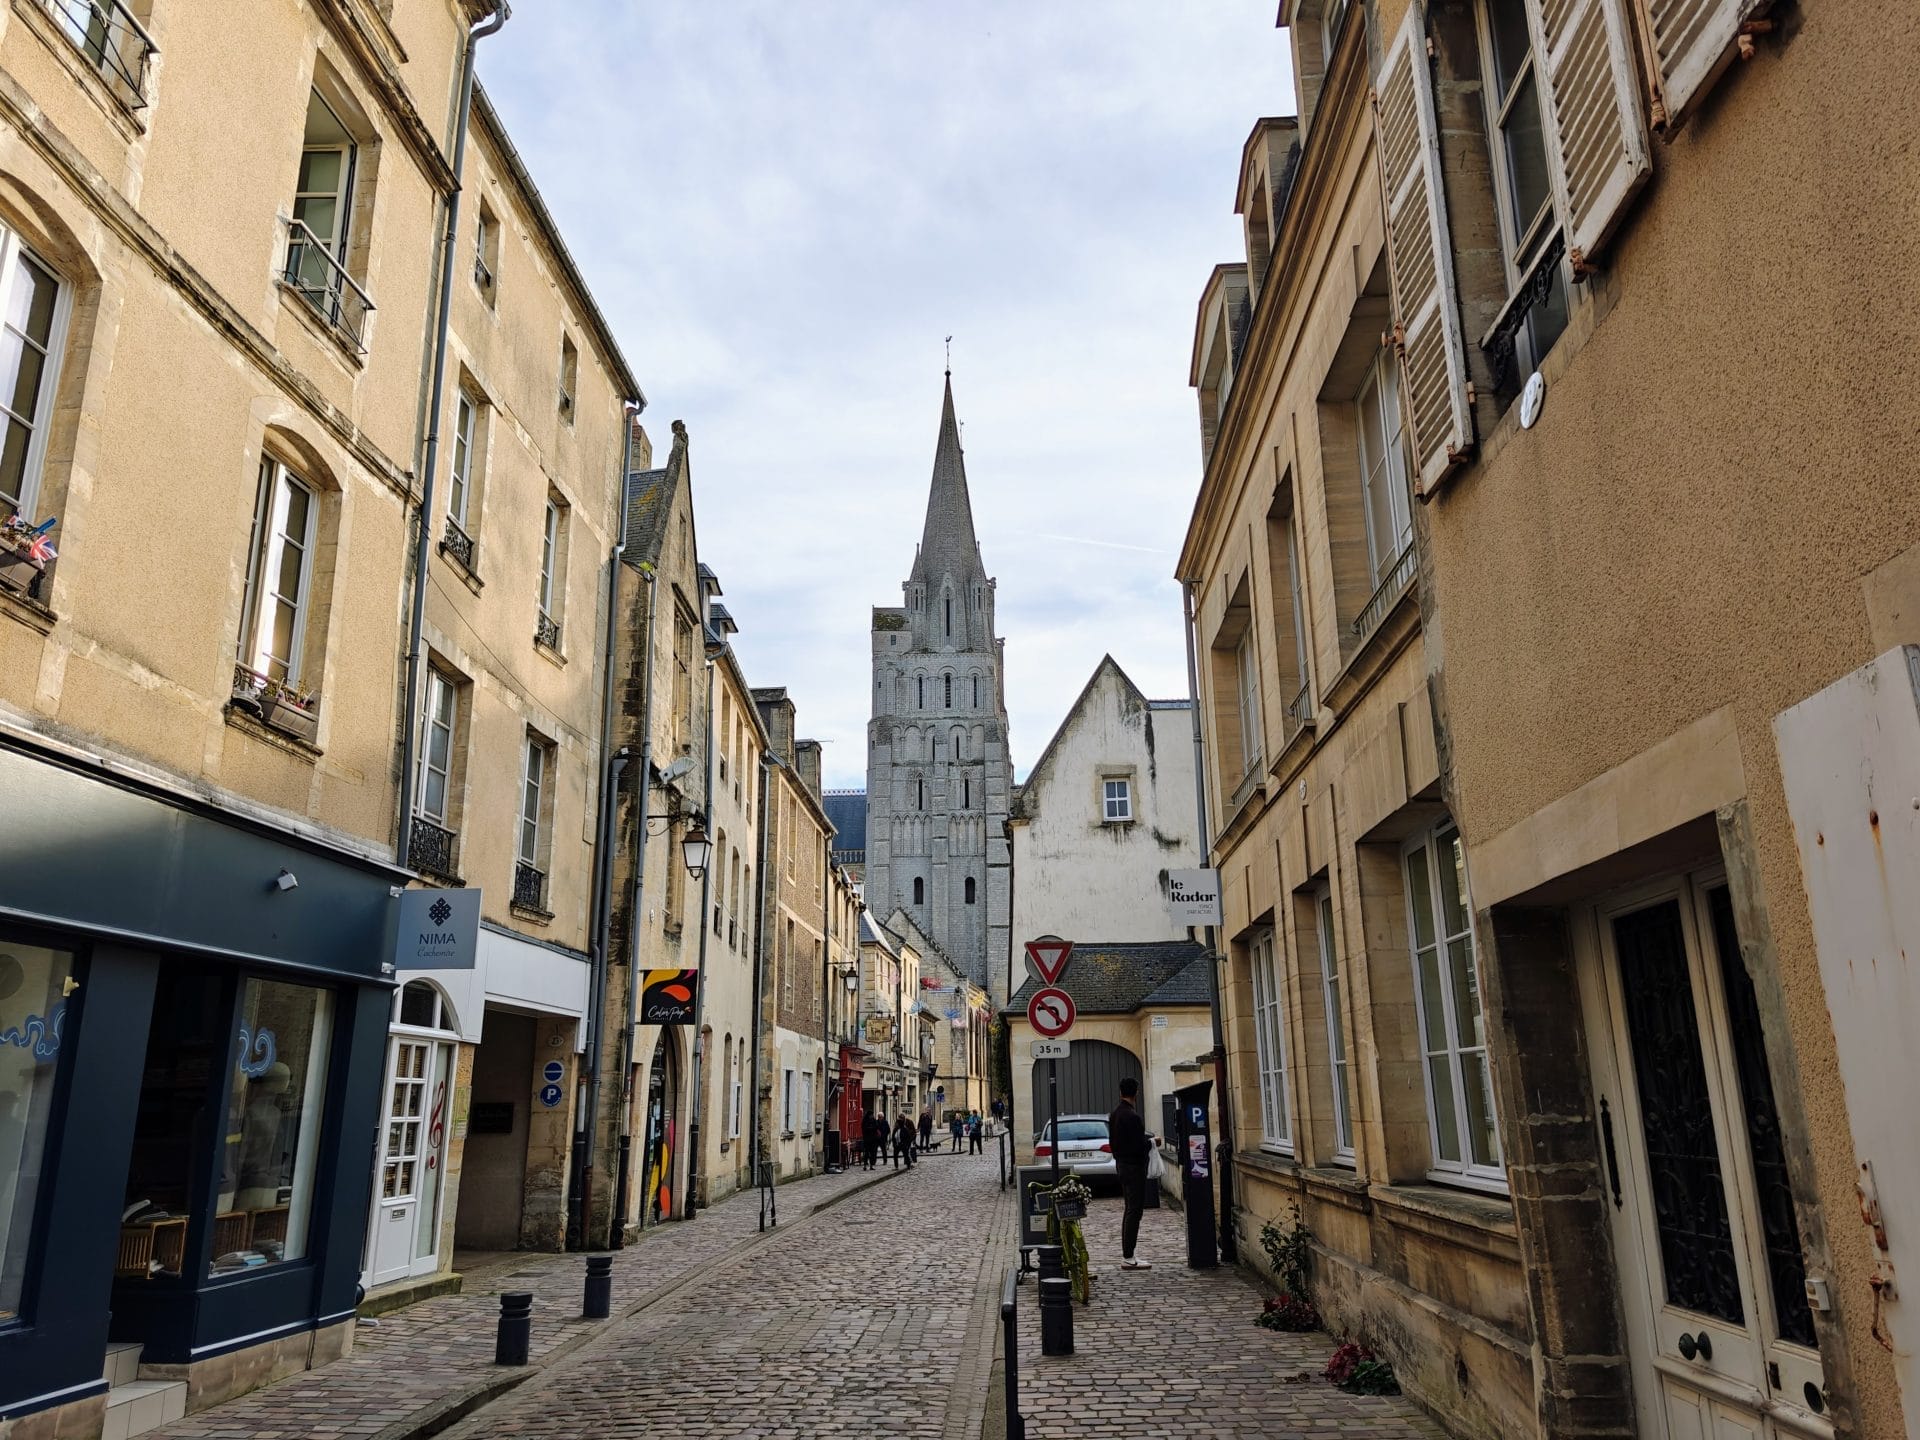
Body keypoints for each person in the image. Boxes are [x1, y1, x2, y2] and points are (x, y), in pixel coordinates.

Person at [1108, 1076, 1152, 1270]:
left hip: (1122, 1165)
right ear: (1136, 1093)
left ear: (1120, 1092)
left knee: (1130, 1209)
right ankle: (1128, 1254)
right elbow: (1138, 1145)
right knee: (1134, 1210)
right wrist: (1152, 1142)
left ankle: (1129, 1253)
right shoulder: (1132, 1116)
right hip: (1134, 1167)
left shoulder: (1115, 1114)